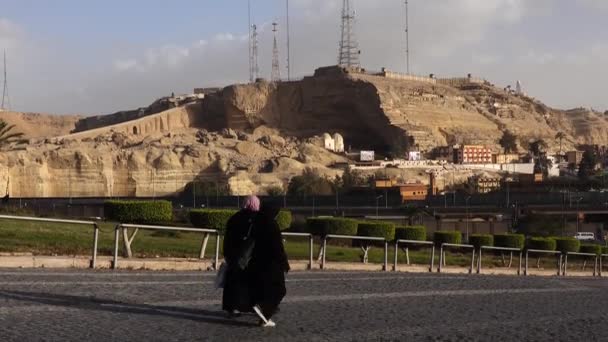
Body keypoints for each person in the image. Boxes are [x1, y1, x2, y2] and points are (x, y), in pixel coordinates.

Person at [248, 201, 290, 327]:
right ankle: (265, 313)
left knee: (264, 288)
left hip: (256, 262)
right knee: (280, 290)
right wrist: (285, 263)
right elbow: (278, 247)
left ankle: (262, 309)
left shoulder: (256, 223)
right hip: (272, 264)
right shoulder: (272, 225)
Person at [222, 195, 260, 316]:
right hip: (247, 256)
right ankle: (254, 306)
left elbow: (227, 238)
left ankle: (231, 308)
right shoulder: (255, 219)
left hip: (232, 255)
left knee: (231, 282)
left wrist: (227, 254)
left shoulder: (234, 217)